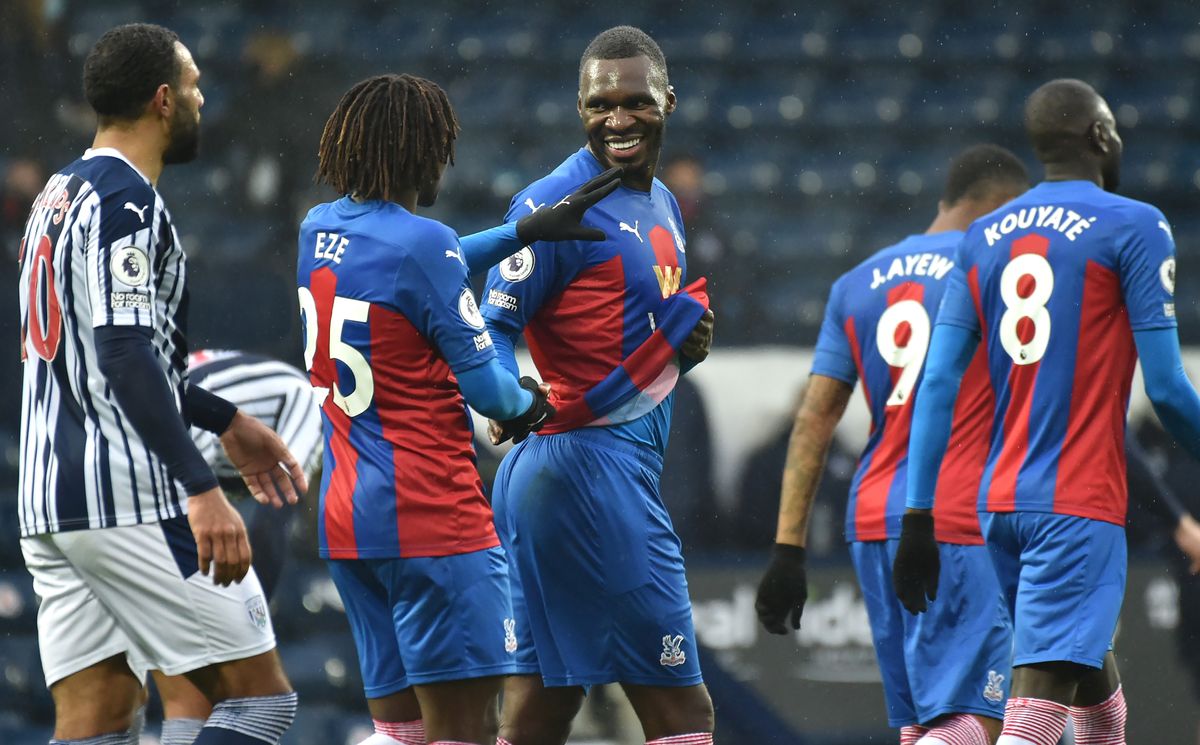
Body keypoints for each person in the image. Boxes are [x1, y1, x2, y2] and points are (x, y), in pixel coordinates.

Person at [296, 73, 620, 745]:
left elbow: (413, 267)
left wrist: (523, 232)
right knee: (464, 733)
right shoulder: (423, 244)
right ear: (424, 153)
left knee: (402, 733)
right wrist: (534, 401)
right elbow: (493, 396)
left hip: (350, 519)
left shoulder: (317, 227)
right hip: (432, 523)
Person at [16, 23, 308, 745]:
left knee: (99, 720)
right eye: (194, 83)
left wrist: (228, 421)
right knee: (260, 703)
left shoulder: (58, 194)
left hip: (48, 499)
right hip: (124, 496)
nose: (204, 95)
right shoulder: (127, 202)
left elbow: (111, 354)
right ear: (162, 100)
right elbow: (123, 355)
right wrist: (201, 488)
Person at [893, 78, 1200, 745]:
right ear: (1100, 136)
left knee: (1102, 710)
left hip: (997, 505)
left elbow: (939, 379)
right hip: (1077, 502)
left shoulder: (983, 236)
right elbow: (1170, 390)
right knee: (1034, 719)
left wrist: (918, 511)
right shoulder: (1135, 224)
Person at [481, 26, 716, 745]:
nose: (617, 118)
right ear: (579, 107)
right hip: (588, 471)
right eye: (599, 103)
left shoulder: (664, 207)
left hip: (578, 477)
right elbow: (486, 322)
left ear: (668, 101)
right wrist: (505, 389)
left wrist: (686, 346)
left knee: (541, 708)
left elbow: (640, 329)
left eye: (635, 102)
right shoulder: (557, 202)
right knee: (683, 713)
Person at [755, 145, 1030, 745]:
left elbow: (815, 419)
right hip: (955, 516)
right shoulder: (996, 269)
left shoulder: (856, 283)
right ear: (1003, 207)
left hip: (874, 517)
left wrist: (788, 548)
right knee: (980, 721)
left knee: (918, 724)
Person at [152, 349, 325, 745]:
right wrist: (257, 618)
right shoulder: (307, 400)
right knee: (262, 700)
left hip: (107, 459)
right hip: (166, 456)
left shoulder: (255, 373)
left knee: (172, 696)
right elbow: (277, 512)